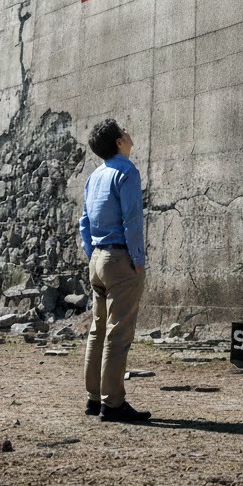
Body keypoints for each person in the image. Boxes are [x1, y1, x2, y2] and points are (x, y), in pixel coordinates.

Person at [79, 118, 151, 423]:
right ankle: (113, 403)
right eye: (124, 130)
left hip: (97, 258)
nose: (128, 131)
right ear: (120, 142)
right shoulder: (127, 171)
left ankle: (94, 398)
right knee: (118, 334)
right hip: (120, 259)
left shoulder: (95, 176)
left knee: (97, 331)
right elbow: (132, 220)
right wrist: (137, 259)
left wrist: (92, 254)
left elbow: (84, 221)